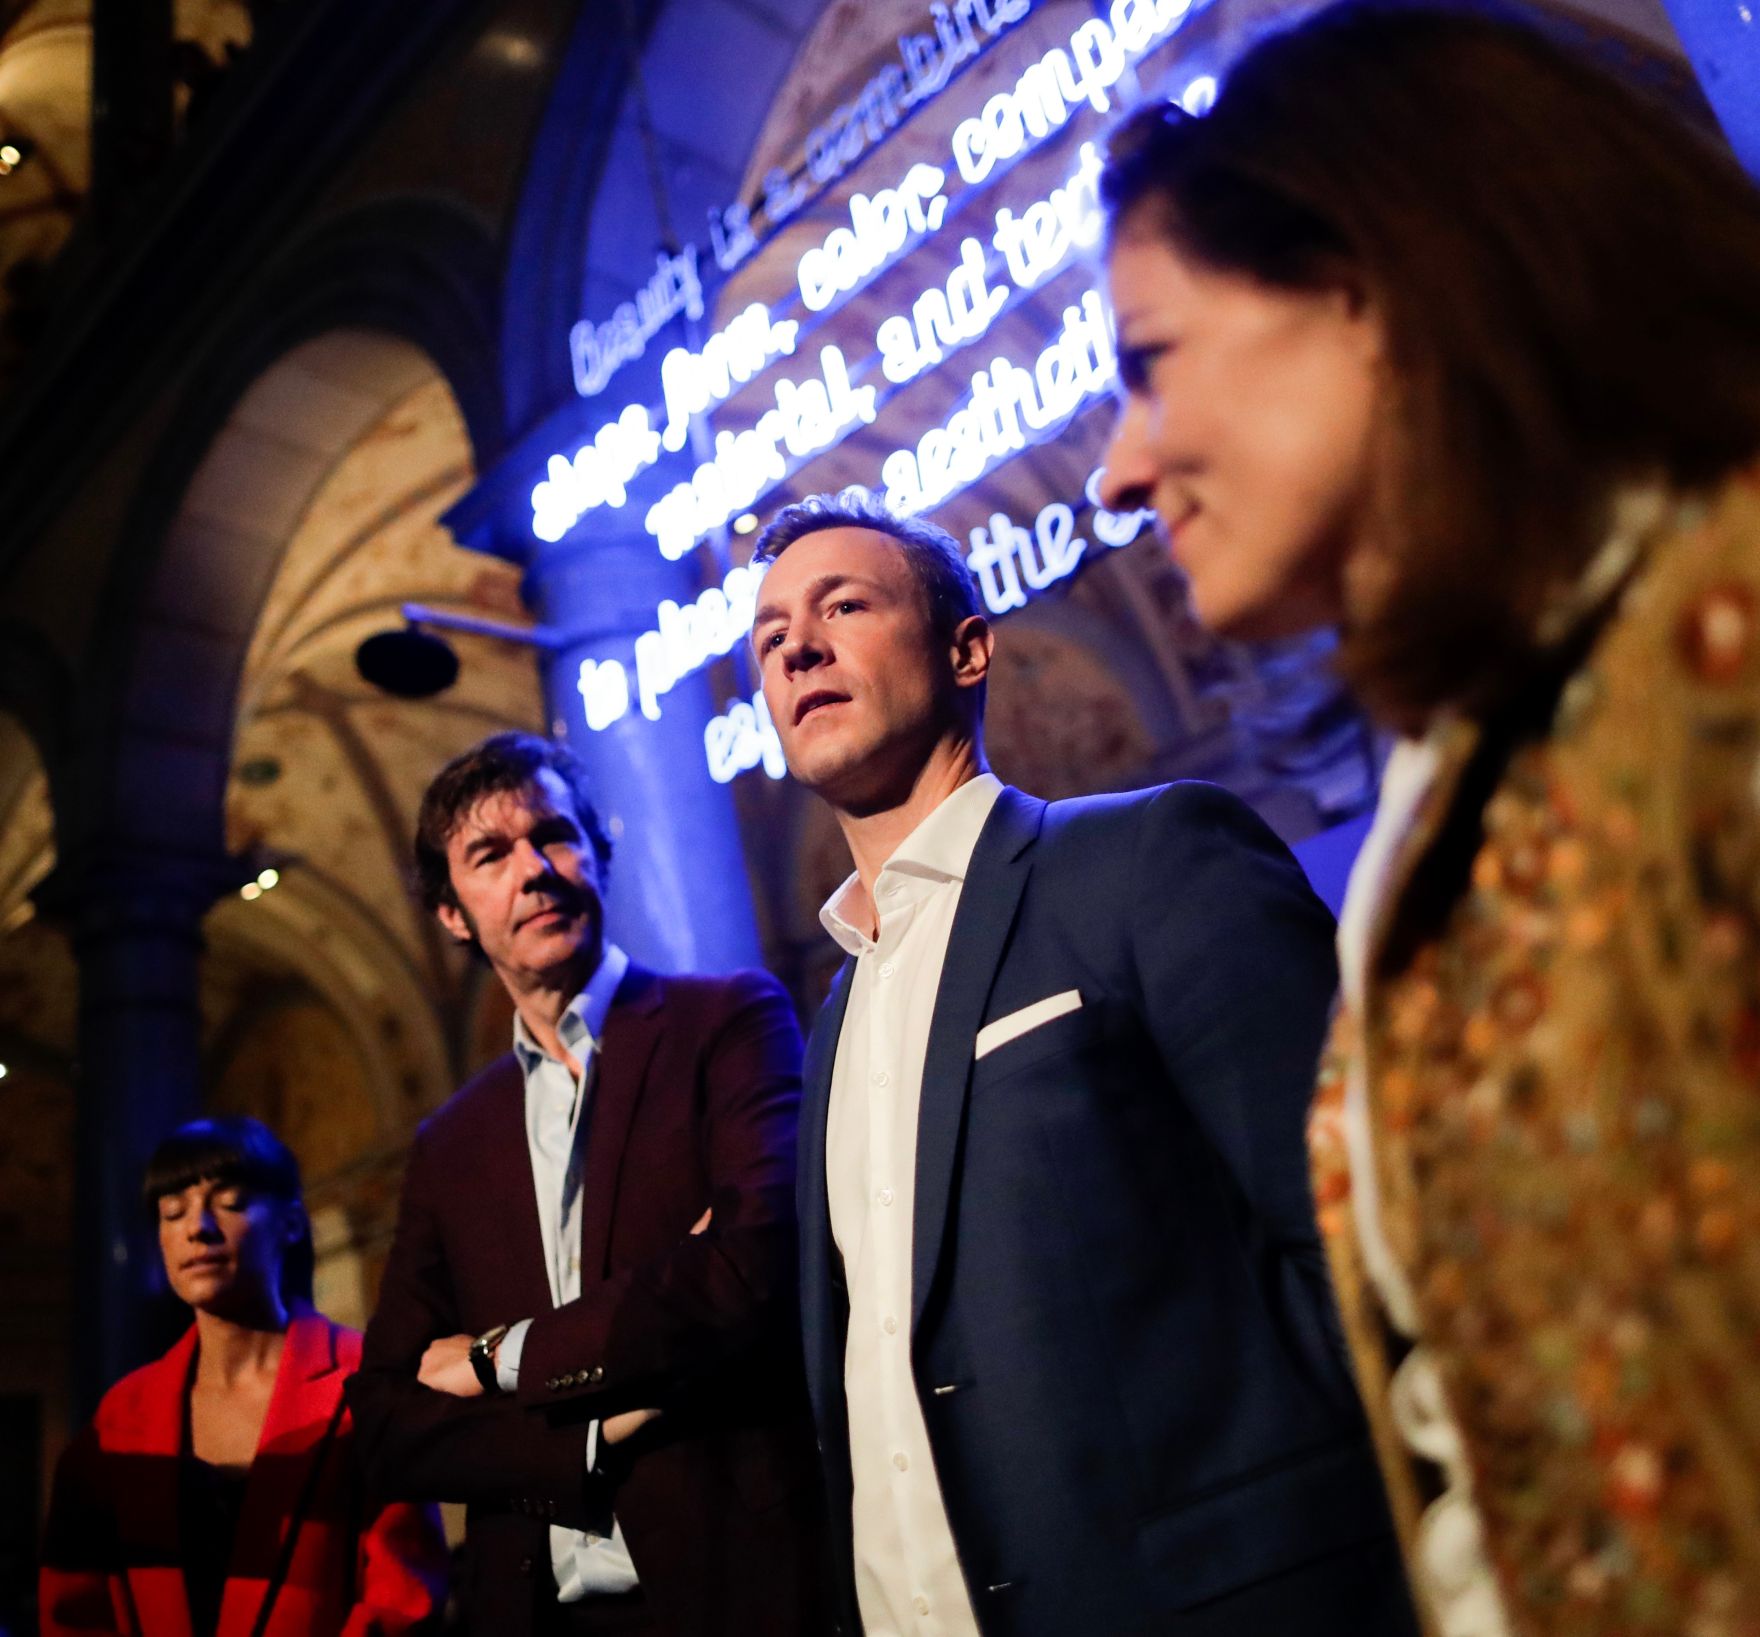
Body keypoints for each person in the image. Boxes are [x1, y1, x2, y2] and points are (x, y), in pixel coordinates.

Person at [1094, 6, 1760, 1634]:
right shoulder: (1457, 774)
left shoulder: (1729, 625)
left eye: (1149, 363)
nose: (1117, 468)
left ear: (1366, 293)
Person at [750, 492, 1417, 1637]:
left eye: (842, 605)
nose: (795, 647)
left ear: (966, 648)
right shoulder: (834, 1011)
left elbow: (1362, 1248)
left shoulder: (1146, 858)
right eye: (767, 640)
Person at [346, 732, 826, 1637]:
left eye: (554, 835)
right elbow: (386, 1420)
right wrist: (591, 1438)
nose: (535, 868)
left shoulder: (726, 1023)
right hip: (533, 1609)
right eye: (491, 854)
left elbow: (755, 1268)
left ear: (598, 856)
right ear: (453, 913)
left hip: (733, 1585)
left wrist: (498, 1358)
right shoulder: (450, 1143)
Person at [39, 1116, 447, 1637]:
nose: (197, 1228)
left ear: (292, 1223)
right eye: (172, 1211)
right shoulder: (122, 1413)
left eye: (229, 1203)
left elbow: (402, 1594)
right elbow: (74, 1604)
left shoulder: (364, 1382)